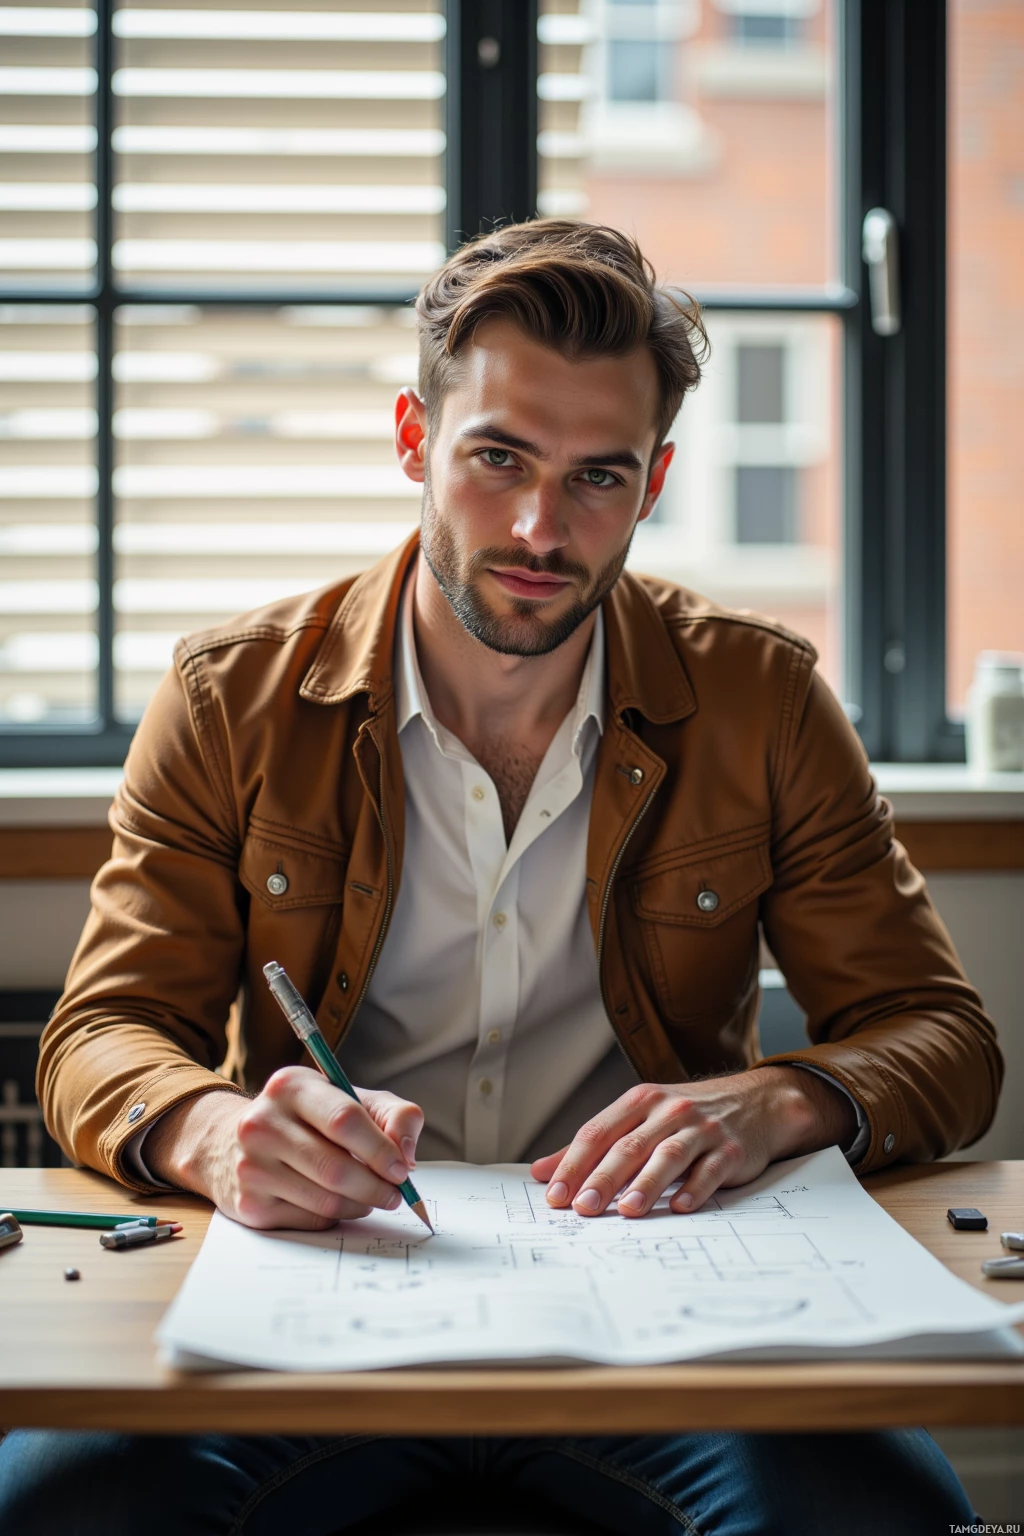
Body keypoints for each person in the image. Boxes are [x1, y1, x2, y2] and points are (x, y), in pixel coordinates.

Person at [0, 221, 994, 1533]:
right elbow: (100, 1037)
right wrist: (214, 1131)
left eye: (599, 477)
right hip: (319, 1297)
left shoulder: (762, 696)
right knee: (70, 1514)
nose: (540, 526)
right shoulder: (227, 696)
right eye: (497, 458)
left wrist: (787, 1100)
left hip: (670, 1311)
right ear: (416, 441)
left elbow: (945, 1038)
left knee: (875, 1522)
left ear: (654, 485)